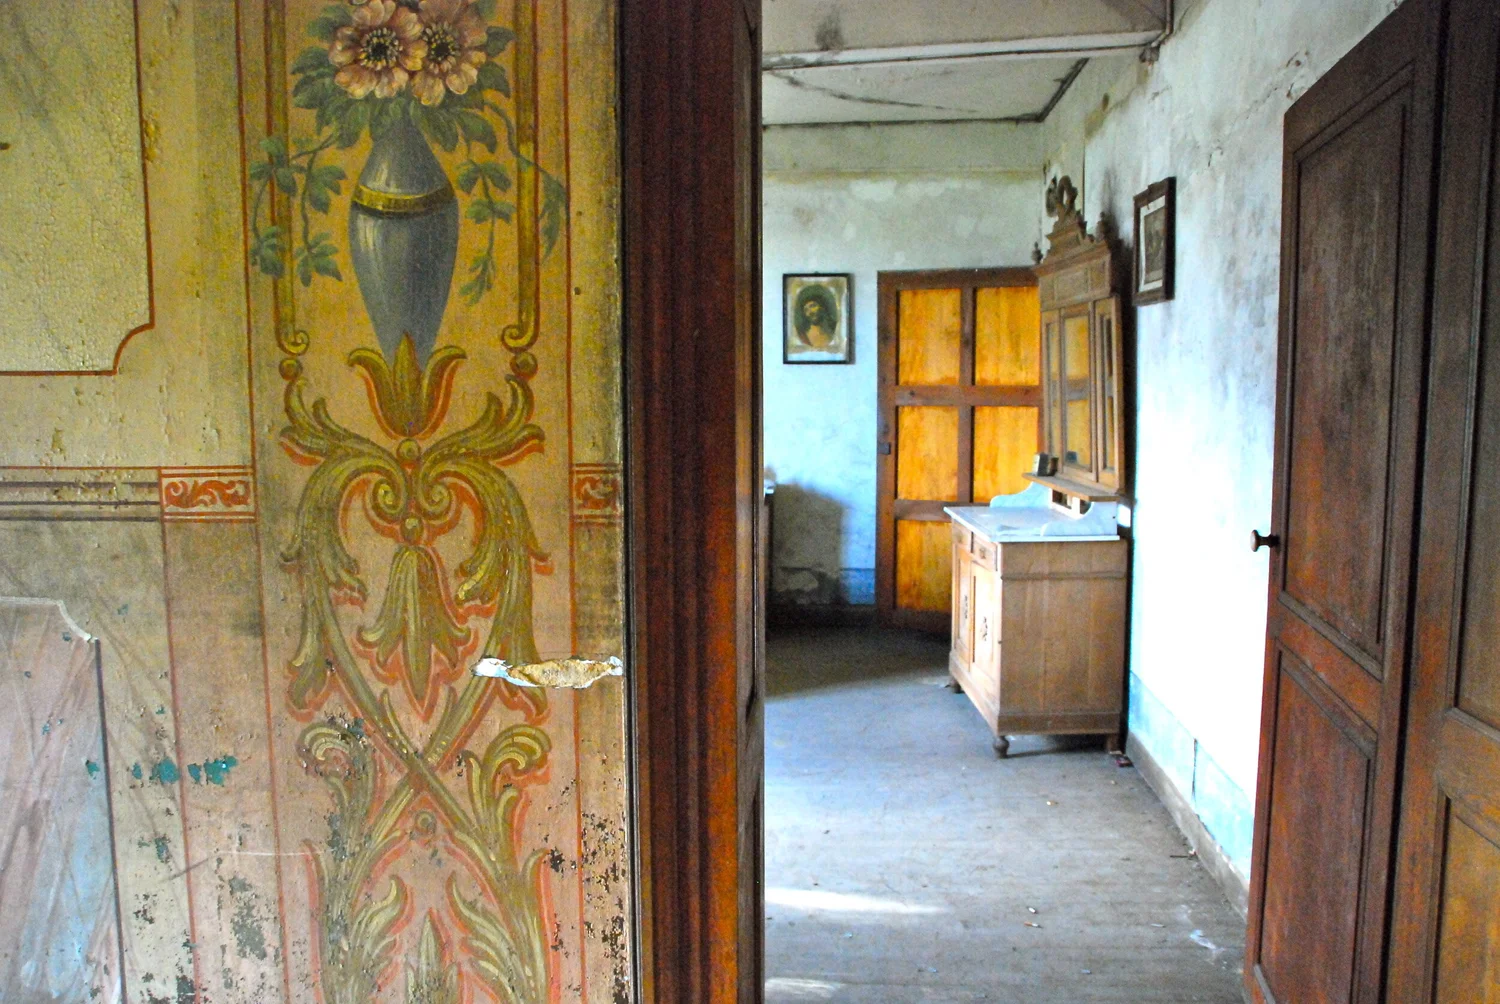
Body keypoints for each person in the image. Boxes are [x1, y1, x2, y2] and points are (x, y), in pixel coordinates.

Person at [792, 283, 840, 349]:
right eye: (806, 310)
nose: (810, 312)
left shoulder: (832, 330)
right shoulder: (804, 336)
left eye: (813, 306)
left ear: (822, 306)